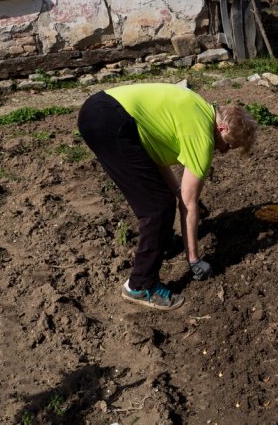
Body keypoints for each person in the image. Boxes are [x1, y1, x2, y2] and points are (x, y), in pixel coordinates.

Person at [77, 83, 258, 310]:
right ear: (222, 129)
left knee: (161, 199)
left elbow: (157, 158)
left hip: (99, 109)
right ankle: (141, 285)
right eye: (229, 146)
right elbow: (188, 206)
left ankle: (161, 242)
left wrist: (180, 194)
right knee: (157, 208)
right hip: (110, 123)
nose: (223, 152)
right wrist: (194, 260)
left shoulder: (198, 107)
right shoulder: (202, 138)